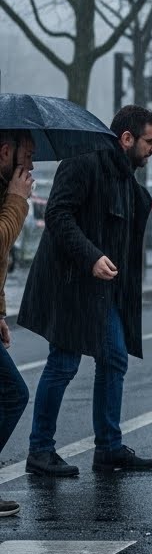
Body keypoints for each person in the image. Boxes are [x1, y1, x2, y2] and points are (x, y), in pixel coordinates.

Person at [19, 106, 152, 477]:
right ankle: (40, 450)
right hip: (68, 283)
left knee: (114, 357)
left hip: (101, 288)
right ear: (126, 138)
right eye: (150, 141)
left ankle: (109, 449)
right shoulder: (83, 161)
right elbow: (58, 216)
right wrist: (92, 257)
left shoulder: (124, 175)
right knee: (63, 363)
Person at [0, 129, 34, 515]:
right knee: (13, 393)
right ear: (6, 152)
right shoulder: (9, 194)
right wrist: (17, 201)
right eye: (28, 156)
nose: (32, 166)